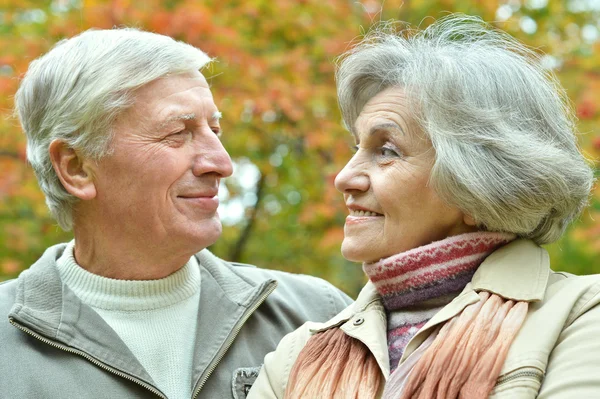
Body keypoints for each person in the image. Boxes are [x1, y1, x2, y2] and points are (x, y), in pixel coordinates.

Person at [248, 14, 600, 399]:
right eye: (356, 148)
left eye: (386, 151)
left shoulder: (580, 316)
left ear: (477, 184)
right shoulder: (298, 354)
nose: (345, 178)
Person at [0, 28, 352, 399]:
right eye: (177, 133)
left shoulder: (319, 318)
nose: (221, 163)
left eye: (214, 129)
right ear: (76, 168)